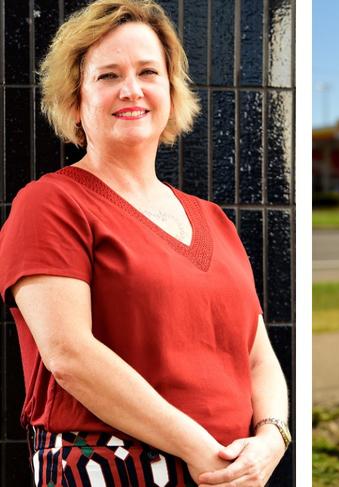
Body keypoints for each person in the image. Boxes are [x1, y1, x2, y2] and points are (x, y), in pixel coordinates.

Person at [0, 1, 289, 486]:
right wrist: (200, 450)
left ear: (171, 92)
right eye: (108, 76)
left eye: (148, 72)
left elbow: (258, 355)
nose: (131, 89)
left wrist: (271, 440)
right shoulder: (49, 204)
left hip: (232, 473)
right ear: (75, 101)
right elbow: (70, 355)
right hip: (112, 471)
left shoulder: (214, 221)